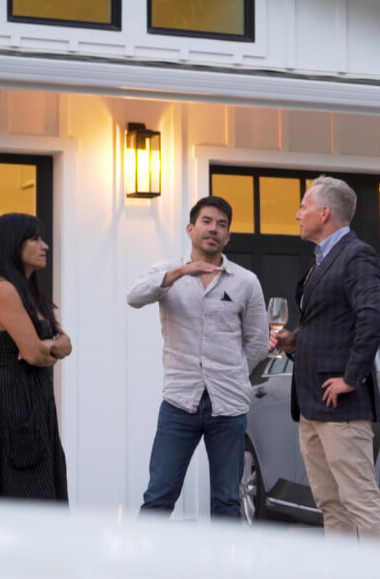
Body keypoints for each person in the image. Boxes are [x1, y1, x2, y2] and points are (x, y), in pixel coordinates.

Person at [128, 196, 268, 520]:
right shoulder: (167, 271)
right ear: (191, 229)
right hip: (179, 403)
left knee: (228, 501)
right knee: (159, 496)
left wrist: (233, 373)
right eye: (206, 221)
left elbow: (258, 341)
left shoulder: (245, 281)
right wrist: (179, 273)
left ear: (228, 237)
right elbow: (134, 296)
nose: (213, 229)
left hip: (228, 406)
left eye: (221, 225)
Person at [269, 175, 380, 539]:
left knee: (360, 501)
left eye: (303, 206)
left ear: (324, 212)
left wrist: (350, 378)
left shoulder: (356, 254)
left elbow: (373, 318)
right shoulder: (320, 260)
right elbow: (331, 324)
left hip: (342, 406)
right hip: (310, 403)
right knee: (330, 504)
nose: (296, 214)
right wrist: (295, 341)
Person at [0, 212, 71, 501]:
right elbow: (33, 354)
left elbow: (65, 344)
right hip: (14, 402)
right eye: (35, 239)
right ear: (12, 245)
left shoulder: (29, 293)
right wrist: (45, 347)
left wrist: (47, 347)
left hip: (37, 401)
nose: (45, 246)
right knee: (25, 489)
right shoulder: (3, 290)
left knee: (46, 482)